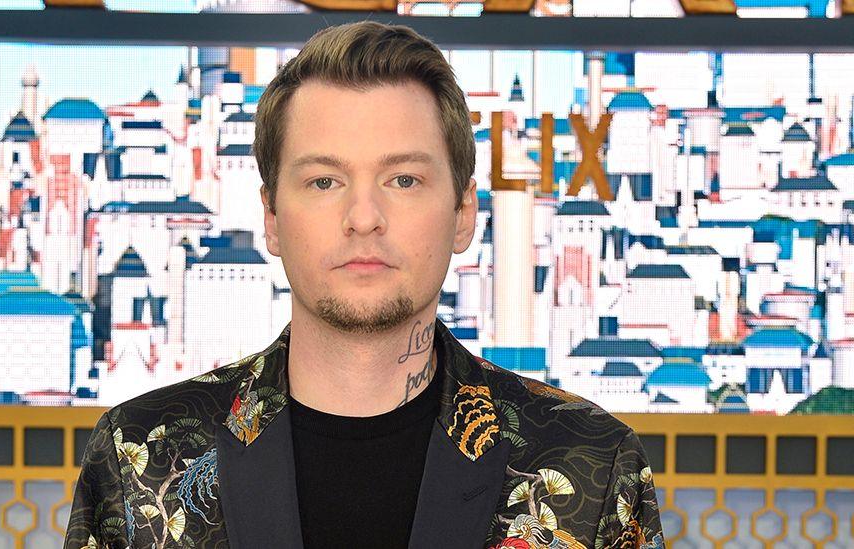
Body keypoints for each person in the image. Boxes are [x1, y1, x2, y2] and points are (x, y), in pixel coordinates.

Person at [63, 20, 664, 549]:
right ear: (271, 218)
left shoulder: (591, 463)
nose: (363, 216)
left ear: (463, 214)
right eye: (324, 182)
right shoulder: (142, 455)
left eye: (403, 180)